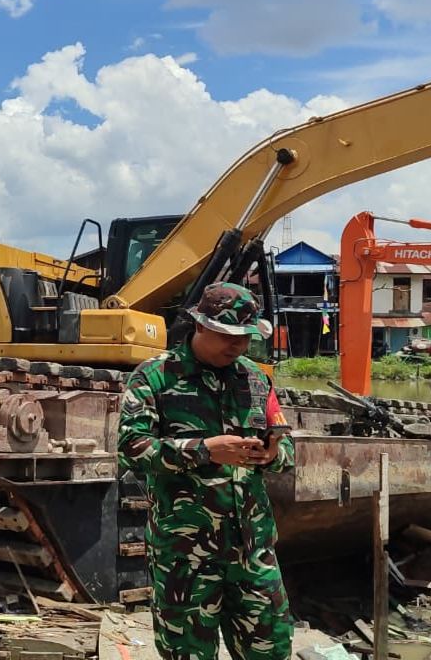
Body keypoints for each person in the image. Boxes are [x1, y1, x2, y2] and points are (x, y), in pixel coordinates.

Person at [118, 282, 294, 660]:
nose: (238, 345)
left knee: (273, 650)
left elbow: (286, 446)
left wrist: (271, 454)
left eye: (245, 337)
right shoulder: (155, 376)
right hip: (186, 555)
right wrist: (204, 450)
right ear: (200, 325)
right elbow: (132, 449)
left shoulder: (256, 379)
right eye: (228, 335)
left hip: (253, 550)